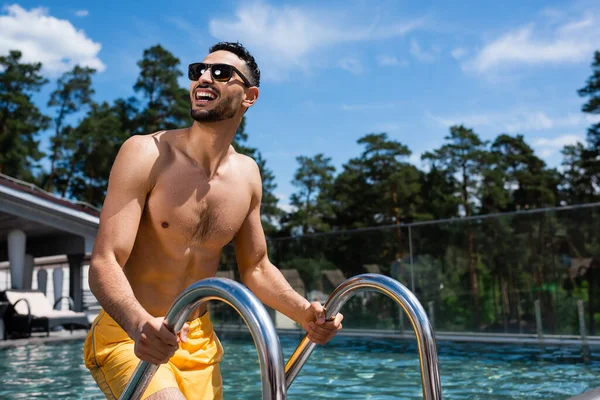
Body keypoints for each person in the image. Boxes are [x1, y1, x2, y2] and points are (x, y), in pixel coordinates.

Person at [83, 42, 343, 400]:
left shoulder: (247, 175)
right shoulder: (147, 153)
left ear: (249, 96)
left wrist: (305, 313)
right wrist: (138, 322)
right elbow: (104, 260)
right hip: (132, 336)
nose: (203, 78)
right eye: (198, 71)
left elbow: (256, 267)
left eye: (220, 73)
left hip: (200, 344)